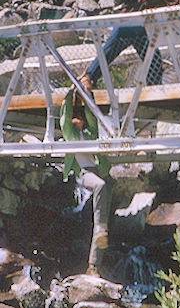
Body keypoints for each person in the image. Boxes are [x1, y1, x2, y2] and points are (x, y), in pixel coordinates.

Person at [80, 0, 180, 94]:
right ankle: (87, 78)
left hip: (136, 27)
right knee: (108, 54)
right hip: (127, 25)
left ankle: (154, 92)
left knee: (153, 62)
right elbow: (177, 3)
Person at [60, 88, 112, 277]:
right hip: (85, 174)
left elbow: (92, 116)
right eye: (75, 118)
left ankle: (94, 266)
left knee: (103, 231)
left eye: (80, 117)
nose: (77, 120)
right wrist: (71, 94)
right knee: (100, 186)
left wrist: (86, 96)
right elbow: (64, 118)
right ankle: (99, 226)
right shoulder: (70, 134)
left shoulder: (90, 133)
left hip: (100, 173)